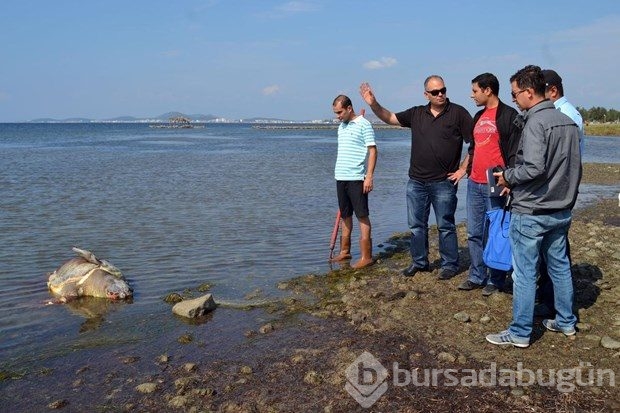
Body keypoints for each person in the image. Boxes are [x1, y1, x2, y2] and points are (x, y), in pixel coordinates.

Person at [486, 65, 581, 348]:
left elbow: (533, 167)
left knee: (525, 273)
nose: (514, 99)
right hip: (561, 209)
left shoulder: (535, 123)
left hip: (532, 211)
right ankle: (566, 322)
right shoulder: (568, 122)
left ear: (529, 92)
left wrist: (508, 176)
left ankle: (519, 333)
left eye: (515, 94)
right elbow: (575, 167)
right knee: (560, 267)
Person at [360, 76, 472, 280]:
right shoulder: (417, 113)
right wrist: (373, 104)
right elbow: (390, 118)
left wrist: (463, 168)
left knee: (445, 225)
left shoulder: (458, 113)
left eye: (443, 90)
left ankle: (449, 264)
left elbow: (475, 142)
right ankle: (419, 262)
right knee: (416, 225)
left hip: (444, 182)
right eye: (435, 92)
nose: (441, 94)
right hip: (416, 182)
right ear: (426, 94)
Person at [457, 73, 521, 295]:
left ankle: (496, 279)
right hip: (474, 183)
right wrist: (463, 169)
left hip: (497, 183)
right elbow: (473, 148)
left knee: (497, 232)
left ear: (488, 90)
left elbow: (514, 152)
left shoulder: (508, 115)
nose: (471, 95)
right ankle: (476, 275)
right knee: (474, 232)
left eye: (475, 90)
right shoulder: (478, 116)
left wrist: (510, 180)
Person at [535, 69, 584, 315]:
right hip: (561, 191)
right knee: (554, 250)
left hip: (556, 192)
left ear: (552, 91)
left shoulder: (564, 115)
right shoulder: (568, 113)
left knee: (557, 253)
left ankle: (555, 304)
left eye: (539, 94)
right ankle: (551, 300)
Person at [330, 95, 377, 269]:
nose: (338, 116)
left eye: (340, 112)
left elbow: (372, 151)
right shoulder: (341, 126)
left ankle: (366, 256)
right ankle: (345, 251)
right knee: (345, 215)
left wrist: (369, 176)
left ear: (349, 108)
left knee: (362, 216)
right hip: (340, 177)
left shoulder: (364, 124)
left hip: (357, 178)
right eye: (336, 113)